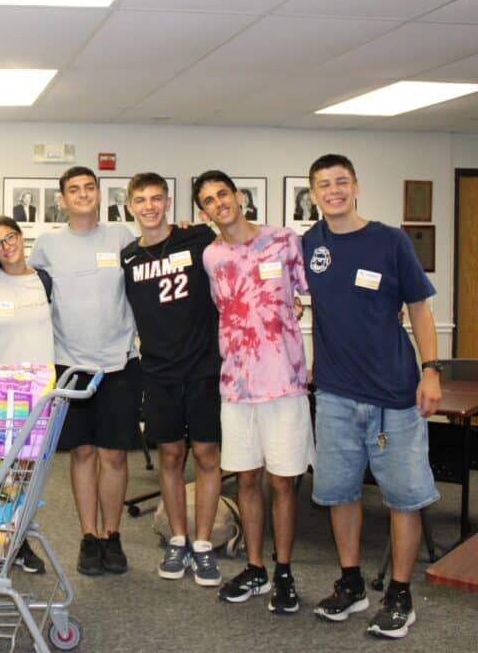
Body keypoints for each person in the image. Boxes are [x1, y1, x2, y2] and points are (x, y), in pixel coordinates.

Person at [304, 154, 440, 639]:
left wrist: (430, 371)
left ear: (356, 187)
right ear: (313, 193)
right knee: (340, 495)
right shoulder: (310, 244)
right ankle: (351, 584)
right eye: (324, 184)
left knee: (403, 500)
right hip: (337, 396)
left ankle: (400, 594)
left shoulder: (389, 241)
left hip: (394, 397)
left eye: (341, 182)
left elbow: (419, 311)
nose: (333, 190)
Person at [194, 170, 313, 615]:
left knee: (283, 481)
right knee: (246, 479)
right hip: (237, 386)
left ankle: (284, 571)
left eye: (223, 194)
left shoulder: (283, 239)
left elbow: (307, 293)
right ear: (202, 212)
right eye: (208, 200)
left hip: (283, 383)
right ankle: (256, 566)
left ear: (238, 196)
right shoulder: (211, 256)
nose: (218, 203)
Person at [29, 166, 142, 577]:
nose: (82, 194)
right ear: (62, 199)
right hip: (70, 364)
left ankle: (113, 536)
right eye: (73, 190)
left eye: (88, 188)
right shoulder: (47, 245)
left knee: (114, 454)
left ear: (99, 193)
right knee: (83, 452)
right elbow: (30, 293)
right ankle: (89, 536)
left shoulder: (122, 237)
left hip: (118, 363)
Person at [120, 173, 223, 587]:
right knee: (169, 456)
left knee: (206, 455)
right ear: (129, 206)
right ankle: (178, 538)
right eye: (141, 200)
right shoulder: (128, 258)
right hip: (158, 371)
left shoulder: (197, 237)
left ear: (168, 202)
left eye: (156, 198)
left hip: (203, 367)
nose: (149, 206)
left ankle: (203, 544)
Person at [0, 215, 54, 574]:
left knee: (24, 473)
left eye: (11, 237)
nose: (7, 246)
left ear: (22, 237)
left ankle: (16, 540)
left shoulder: (45, 281)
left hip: (34, 396)